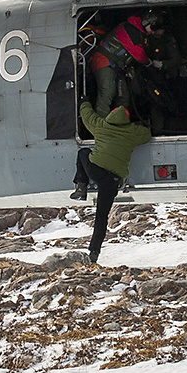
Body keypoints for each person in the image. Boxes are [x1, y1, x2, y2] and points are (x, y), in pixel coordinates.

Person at [71, 102, 151, 263]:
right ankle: (94, 251)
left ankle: (81, 186)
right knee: (101, 216)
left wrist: (85, 101)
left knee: (83, 152)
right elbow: (147, 135)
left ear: (110, 116)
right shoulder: (132, 132)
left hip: (95, 170)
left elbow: (87, 116)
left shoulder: (101, 125)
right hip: (112, 180)